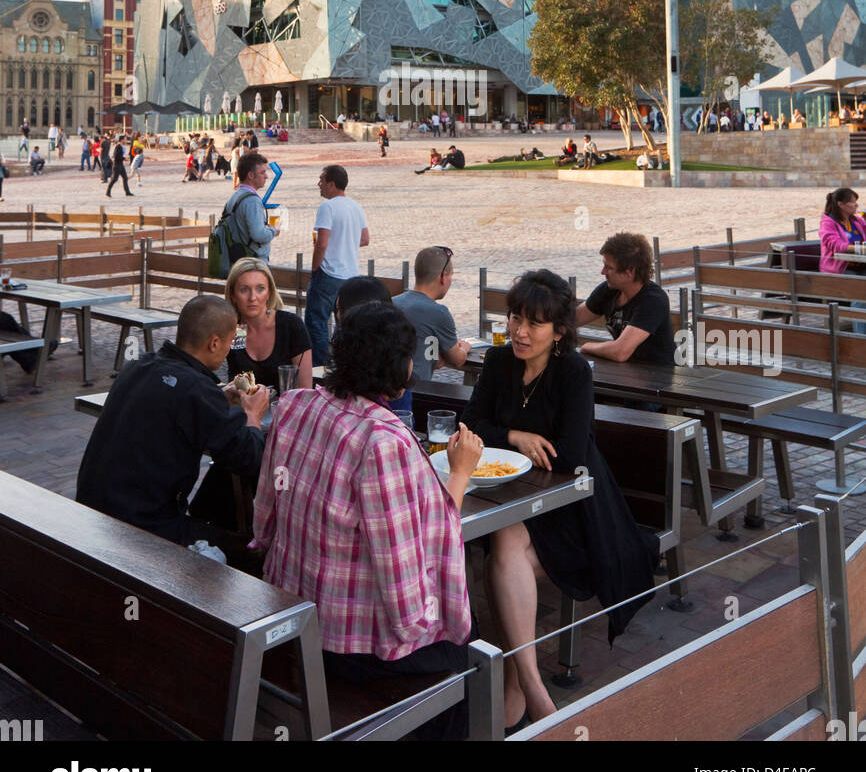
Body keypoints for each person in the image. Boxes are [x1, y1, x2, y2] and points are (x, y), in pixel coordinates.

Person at [252, 302, 483, 740]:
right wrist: (460, 472)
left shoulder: (294, 406)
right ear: (398, 366)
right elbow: (404, 586)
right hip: (344, 642)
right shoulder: (382, 441)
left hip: (290, 606)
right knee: (468, 657)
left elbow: (264, 516)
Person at [462, 269, 659, 728]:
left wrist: (511, 441)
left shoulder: (572, 371)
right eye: (515, 318)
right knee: (505, 543)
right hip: (512, 502)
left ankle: (518, 686)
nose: (520, 332)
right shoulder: (497, 362)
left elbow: (569, 454)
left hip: (574, 507)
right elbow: (470, 425)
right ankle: (533, 690)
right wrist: (515, 433)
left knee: (498, 558)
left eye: (534, 323)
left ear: (559, 331)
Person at [76, 295, 268, 545]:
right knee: (245, 552)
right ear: (214, 343)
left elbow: (171, 401)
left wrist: (218, 399)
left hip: (91, 509)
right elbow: (249, 458)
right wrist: (252, 414)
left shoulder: (138, 365)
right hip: (140, 527)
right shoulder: (196, 390)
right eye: (230, 341)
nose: (230, 349)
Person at [575, 232, 675, 365]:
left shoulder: (653, 300)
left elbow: (620, 352)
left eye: (609, 267)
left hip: (658, 378)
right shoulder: (609, 290)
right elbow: (571, 319)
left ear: (630, 272)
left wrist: (586, 346)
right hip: (623, 372)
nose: (602, 272)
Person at [305, 165, 369, 366]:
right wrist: (345, 241)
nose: (319, 184)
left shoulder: (328, 207)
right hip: (350, 275)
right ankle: (342, 364)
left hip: (329, 273)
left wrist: (315, 268)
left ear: (332, 184)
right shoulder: (356, 206)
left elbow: (321, 243)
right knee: (343, 325)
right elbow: (365, 239)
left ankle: (319, 367)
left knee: (316, 322)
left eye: (322, 180)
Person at [393, 247, 472, 409]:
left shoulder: (392, 302)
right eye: (451, 275)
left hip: (389, 387)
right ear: (443, 277)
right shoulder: (438, 312)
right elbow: (457, 360)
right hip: (418, 392)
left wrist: (433, 355)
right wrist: (464, 347)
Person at [225, 258, 312, 391]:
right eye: (244, 290)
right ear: (233, 295)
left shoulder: (291, 326)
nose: (252, 297)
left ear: (269, 292)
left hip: (286, 408)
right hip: (244, 408)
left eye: (260, 289)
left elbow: (305, 389)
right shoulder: (235, 330)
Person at [819, 188, 866, 336]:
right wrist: (859, 248)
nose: (856, 205)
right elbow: (835, 245)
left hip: (860, 265)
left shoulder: (857, 220)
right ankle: (860, 339)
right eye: (853, 202)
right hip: (839, 268)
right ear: (841, 204)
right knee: (861, 291)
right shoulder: (828, 222)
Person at [223, 152, 278, 264]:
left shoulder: (235, 195)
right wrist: (273, 230)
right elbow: (258, 235)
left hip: (237, 259)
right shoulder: (252, 201)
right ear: (251, 175)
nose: (266, 176)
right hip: (253, 263)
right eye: (262, 172)